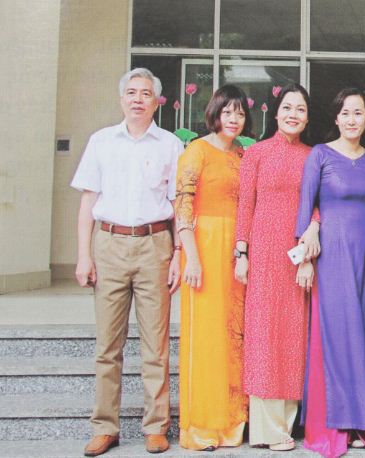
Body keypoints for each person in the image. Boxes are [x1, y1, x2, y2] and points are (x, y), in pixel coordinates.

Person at [71, 68, 183, 456]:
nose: (138, 99)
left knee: (156, 346)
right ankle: (105, 427)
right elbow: (87, 202)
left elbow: (178, 205)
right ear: (122, 99)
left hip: (155, 245)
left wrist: (179, 254)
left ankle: (156, 427)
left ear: (157, 102)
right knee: (108, 346)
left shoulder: (170, 145)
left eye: (146, 93)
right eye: (131, 92)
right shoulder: (101, 141)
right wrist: (84, 255)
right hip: (109, 245)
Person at [296, 88, 365, 458]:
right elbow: (306, 207)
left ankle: (363, 422)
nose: (352, 119)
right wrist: (304, 258)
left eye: (358, 113)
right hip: (331, 256)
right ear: (336, 118)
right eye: (345, 113)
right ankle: (333, 427)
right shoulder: (320, 155)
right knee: (335, 336)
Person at [234, 84, 320, 451]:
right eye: (287, 107)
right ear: (275, 111)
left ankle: (286, 424)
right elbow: (245, 204)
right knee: (263, 336)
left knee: (293, 336)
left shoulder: (313, 156)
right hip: (263, 255)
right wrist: (241, 252)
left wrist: (309, 250)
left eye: (300, 109)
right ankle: (266, 429)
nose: (293, 115)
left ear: (307, 117)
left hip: (297, 255)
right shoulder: (256, 153)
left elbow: (318, 205)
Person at [174, 84, 252, 450]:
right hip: (203, 247)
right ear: (215, 113)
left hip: (235, 250)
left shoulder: (242, 154)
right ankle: (202, 425)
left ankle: (231, 422)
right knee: (205, 337)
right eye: (227, 112)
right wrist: (190, 255)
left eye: (240, 113)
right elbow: (183, 205)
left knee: (233, 335)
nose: (234, 119)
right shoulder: (196, 150)